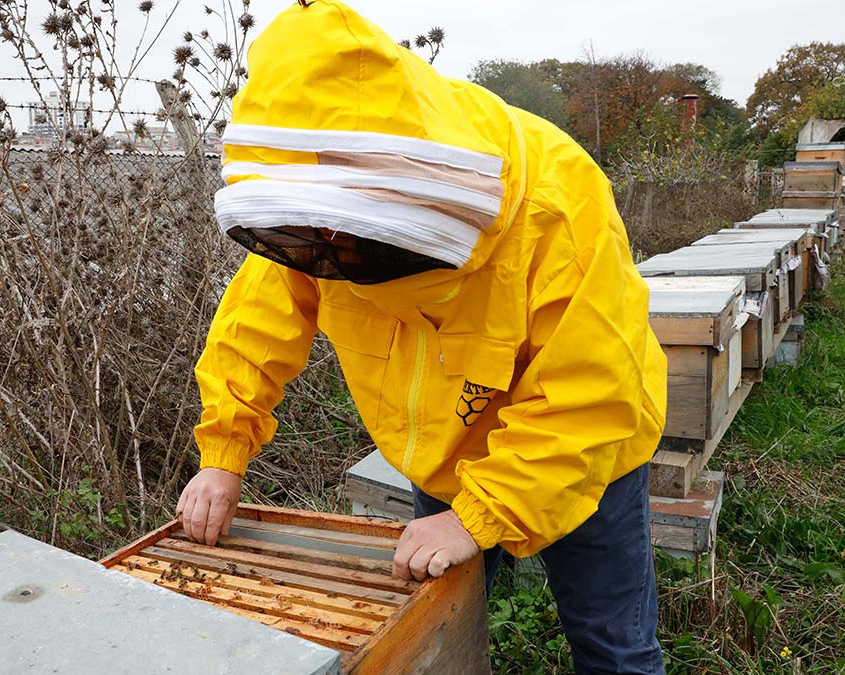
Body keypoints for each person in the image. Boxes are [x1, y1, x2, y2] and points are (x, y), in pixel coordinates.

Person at [175, 2, 668, 672]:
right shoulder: (317, 206)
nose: (329, 259)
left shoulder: (559, 202)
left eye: (348, 247)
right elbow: (256, 323)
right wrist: (223, 451)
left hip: (589, 452)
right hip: (445, 454)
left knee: (614, 645)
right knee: (436, 633)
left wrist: (478, 517)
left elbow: (590, 391)